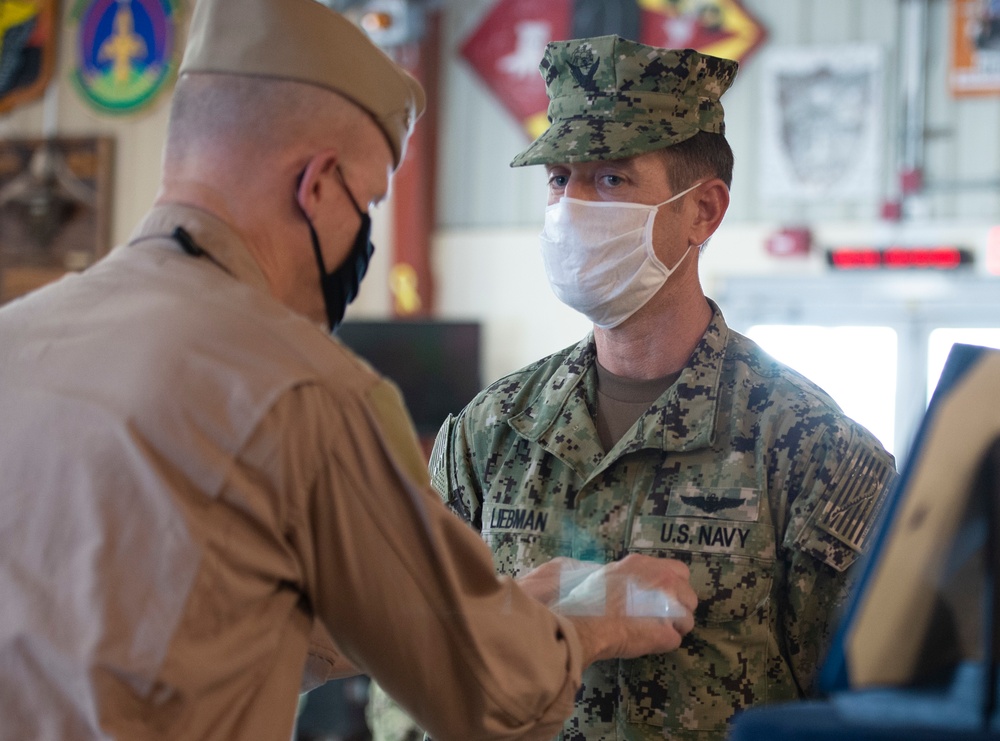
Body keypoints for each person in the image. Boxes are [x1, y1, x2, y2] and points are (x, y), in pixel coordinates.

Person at [0, 6, 701, 741]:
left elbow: (181, 622)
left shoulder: (20, 339)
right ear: (319, 185)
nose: (360, 238)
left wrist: (504, 605)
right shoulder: (303, 390)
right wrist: (589, 623)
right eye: (367, 203)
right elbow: (491, 693)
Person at [422, 36, 898, 740]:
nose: (571, 208)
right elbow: (416, 660)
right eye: (560, 179)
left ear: (703, 211)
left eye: (611, 180)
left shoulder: (811, 450)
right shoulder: (490, 434)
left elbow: (871, 710)